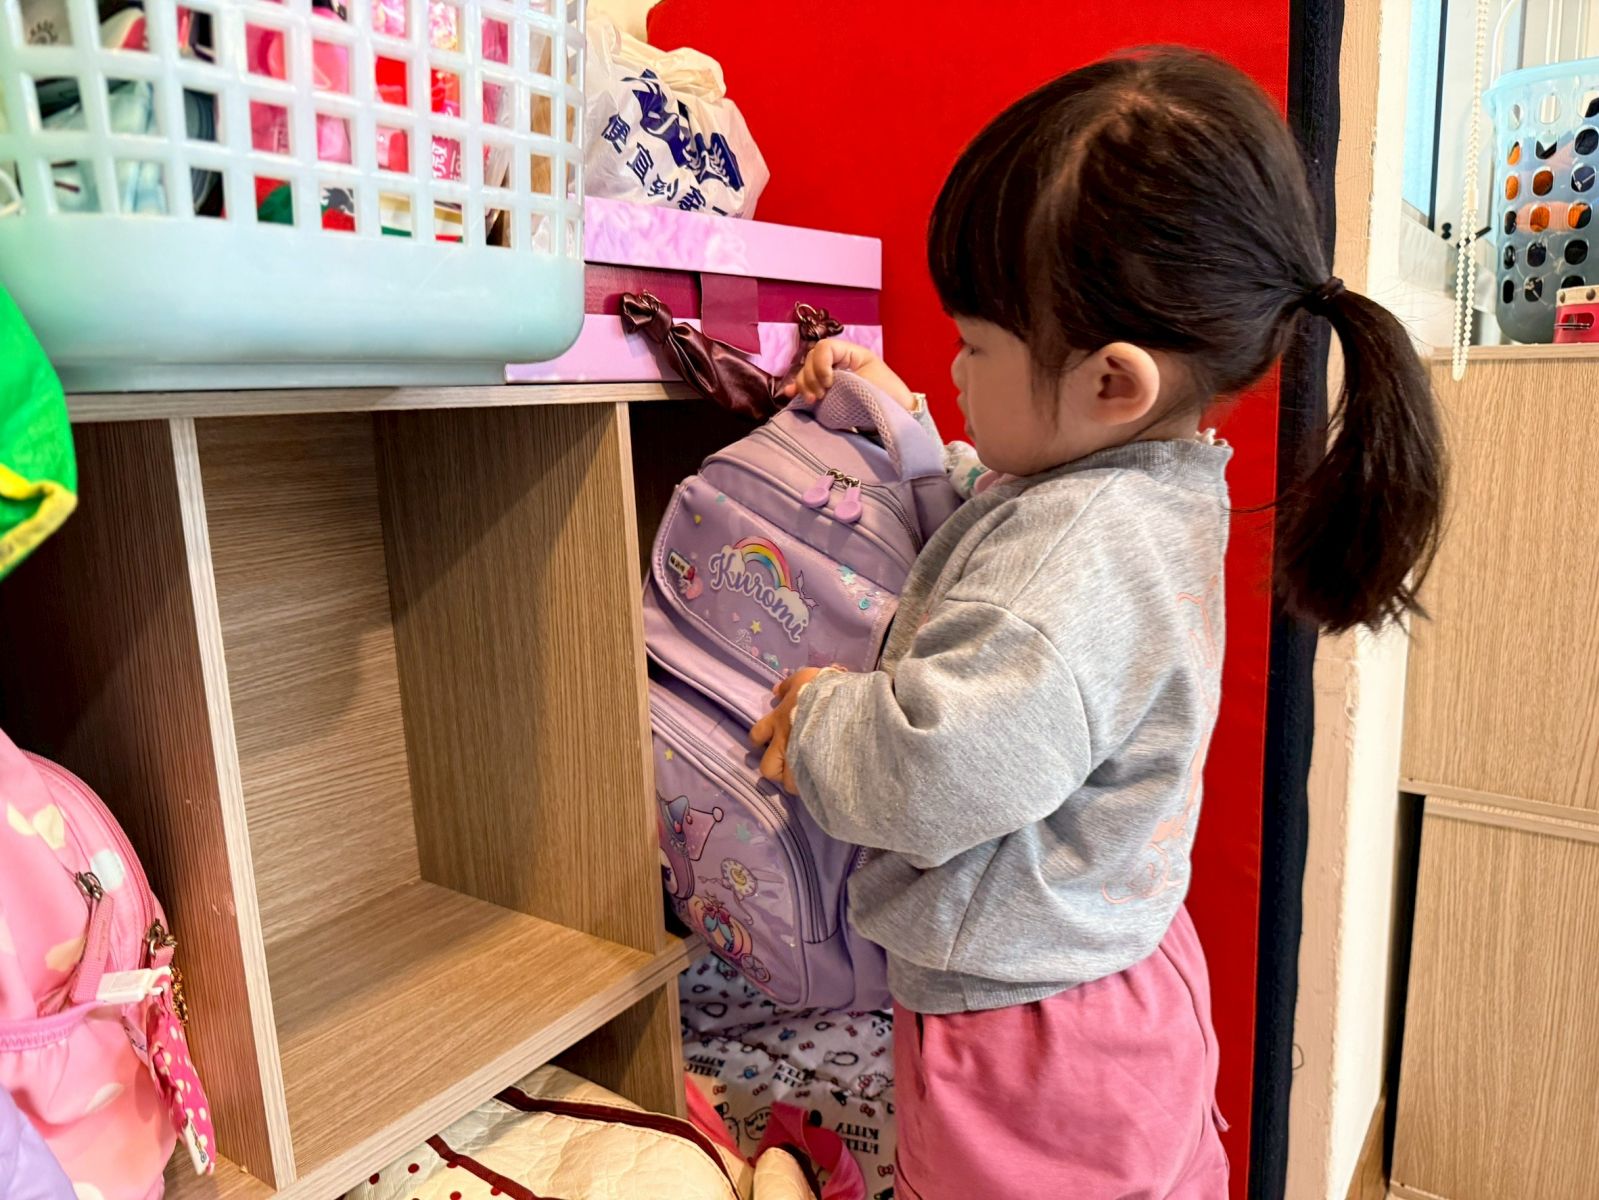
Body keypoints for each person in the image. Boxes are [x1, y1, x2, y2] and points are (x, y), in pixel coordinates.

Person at [749, 47, 1443, 1200]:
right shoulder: (1142, 488)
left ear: (1112, 382)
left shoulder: (1067, 564)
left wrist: (821, 723)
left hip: (1029, 1038)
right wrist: (898, 425)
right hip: (1110, 975)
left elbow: (938, 770)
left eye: (975, 345)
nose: (955, 370)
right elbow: (995, 526)